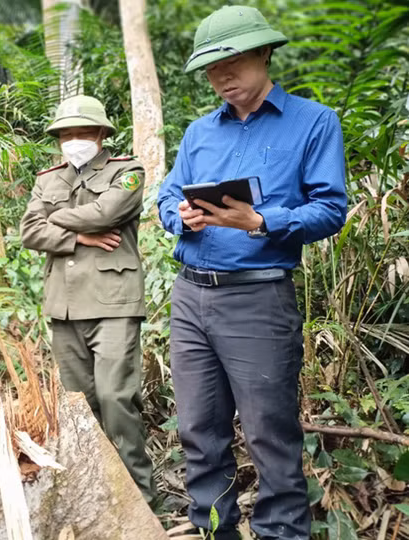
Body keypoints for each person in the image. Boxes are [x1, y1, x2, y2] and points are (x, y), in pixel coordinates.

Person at [156, 6, 347, 539]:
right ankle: (213, 529)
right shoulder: (199, 132)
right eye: (211, 69)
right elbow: (168, 193)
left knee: (269, 433)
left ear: (265, 53)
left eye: (233, 61)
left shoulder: (313, 122)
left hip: (258, 300)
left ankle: (282, 533)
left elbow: (331, 209)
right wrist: (180, 214)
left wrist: (261, 220)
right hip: (191, 298)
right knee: (198, 431)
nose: (222, 76)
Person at [20, 95, 156, 501]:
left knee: (116, 400)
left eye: (81, 132)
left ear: (100, 134)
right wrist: (77, 236)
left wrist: (55, 219)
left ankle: (140, 498)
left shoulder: (126, 170)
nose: (72, 140)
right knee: (81, 407)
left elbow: (105, 214)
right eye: (65, 134)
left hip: (114, 301)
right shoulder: (49, 178)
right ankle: (97, 496)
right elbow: (29, 231)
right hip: (64, 305)